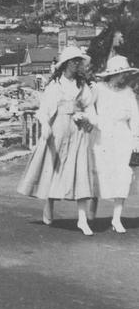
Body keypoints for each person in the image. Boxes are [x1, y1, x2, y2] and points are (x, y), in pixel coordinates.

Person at [17, 46, 97, 235]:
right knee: (53, 169)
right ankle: (48, 206)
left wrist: (84, 117)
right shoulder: (55, 86)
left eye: (79, 61)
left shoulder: (82, 86)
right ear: (66, 64)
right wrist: (45, 125)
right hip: (58, 130)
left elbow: (91, 110)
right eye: (74, 61)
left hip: (78, 132)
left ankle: (82, 219)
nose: (78, 64)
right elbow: (44, 111)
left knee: (80, 172)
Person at [89, 56, 139, 233]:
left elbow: (135, 117)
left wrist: (136, 139)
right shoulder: (98, 89)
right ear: (113, 74)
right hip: (102, 136)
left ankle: (116, 218)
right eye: (121, 74)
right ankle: (90, 216)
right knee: (98, 174)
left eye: (125, 74)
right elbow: (87, 106)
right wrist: (94, 121)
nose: (124, 77)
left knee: (122, 177)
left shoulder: (128, 92)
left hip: (122, 137)